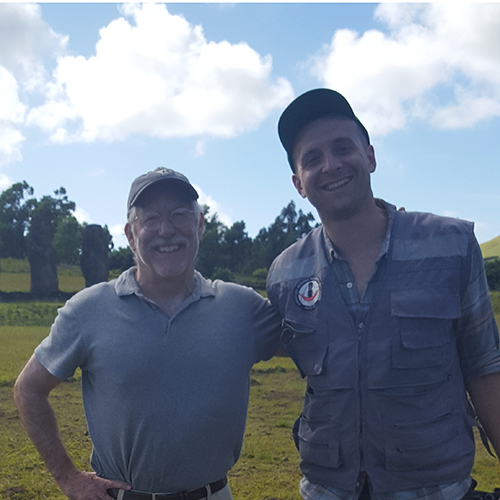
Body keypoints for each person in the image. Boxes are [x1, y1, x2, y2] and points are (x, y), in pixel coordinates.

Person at [266, 88, 500, 500]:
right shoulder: (286, 273)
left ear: (370, 156)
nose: (331, 165)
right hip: (328, 492)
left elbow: (484, 366)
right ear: (298, 183)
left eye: (343, 148)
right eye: (313, 159)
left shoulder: (451, 245)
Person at [14, 167, 282, 500]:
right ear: (129, 234)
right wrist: (68, 477)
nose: (165, 230)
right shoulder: (89, 310)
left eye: (179, 215)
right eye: (150, 219)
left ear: (200, 225)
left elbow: (319, 340)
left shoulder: (242, 308)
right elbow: (28, 388)